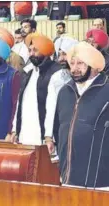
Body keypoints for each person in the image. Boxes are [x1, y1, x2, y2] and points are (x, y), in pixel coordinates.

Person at [54, 42, 109, 187]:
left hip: (101, 181)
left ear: (94, 65)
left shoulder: (106, 90)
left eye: (80, 63)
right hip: (68, 177)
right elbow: (58, 129)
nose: (74, 68)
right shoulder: (65, 92)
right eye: (72, 63)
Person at [8, 33, 69, 151]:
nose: (31, 54)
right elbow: (20, 103)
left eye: (35, 50)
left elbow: (53, 107)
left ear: (45, 51)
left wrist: (48, 137)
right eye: (29, 50)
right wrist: (15, 129)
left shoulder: (57, 74)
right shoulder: (28, 72)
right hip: (25, 134)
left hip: (45, 138)